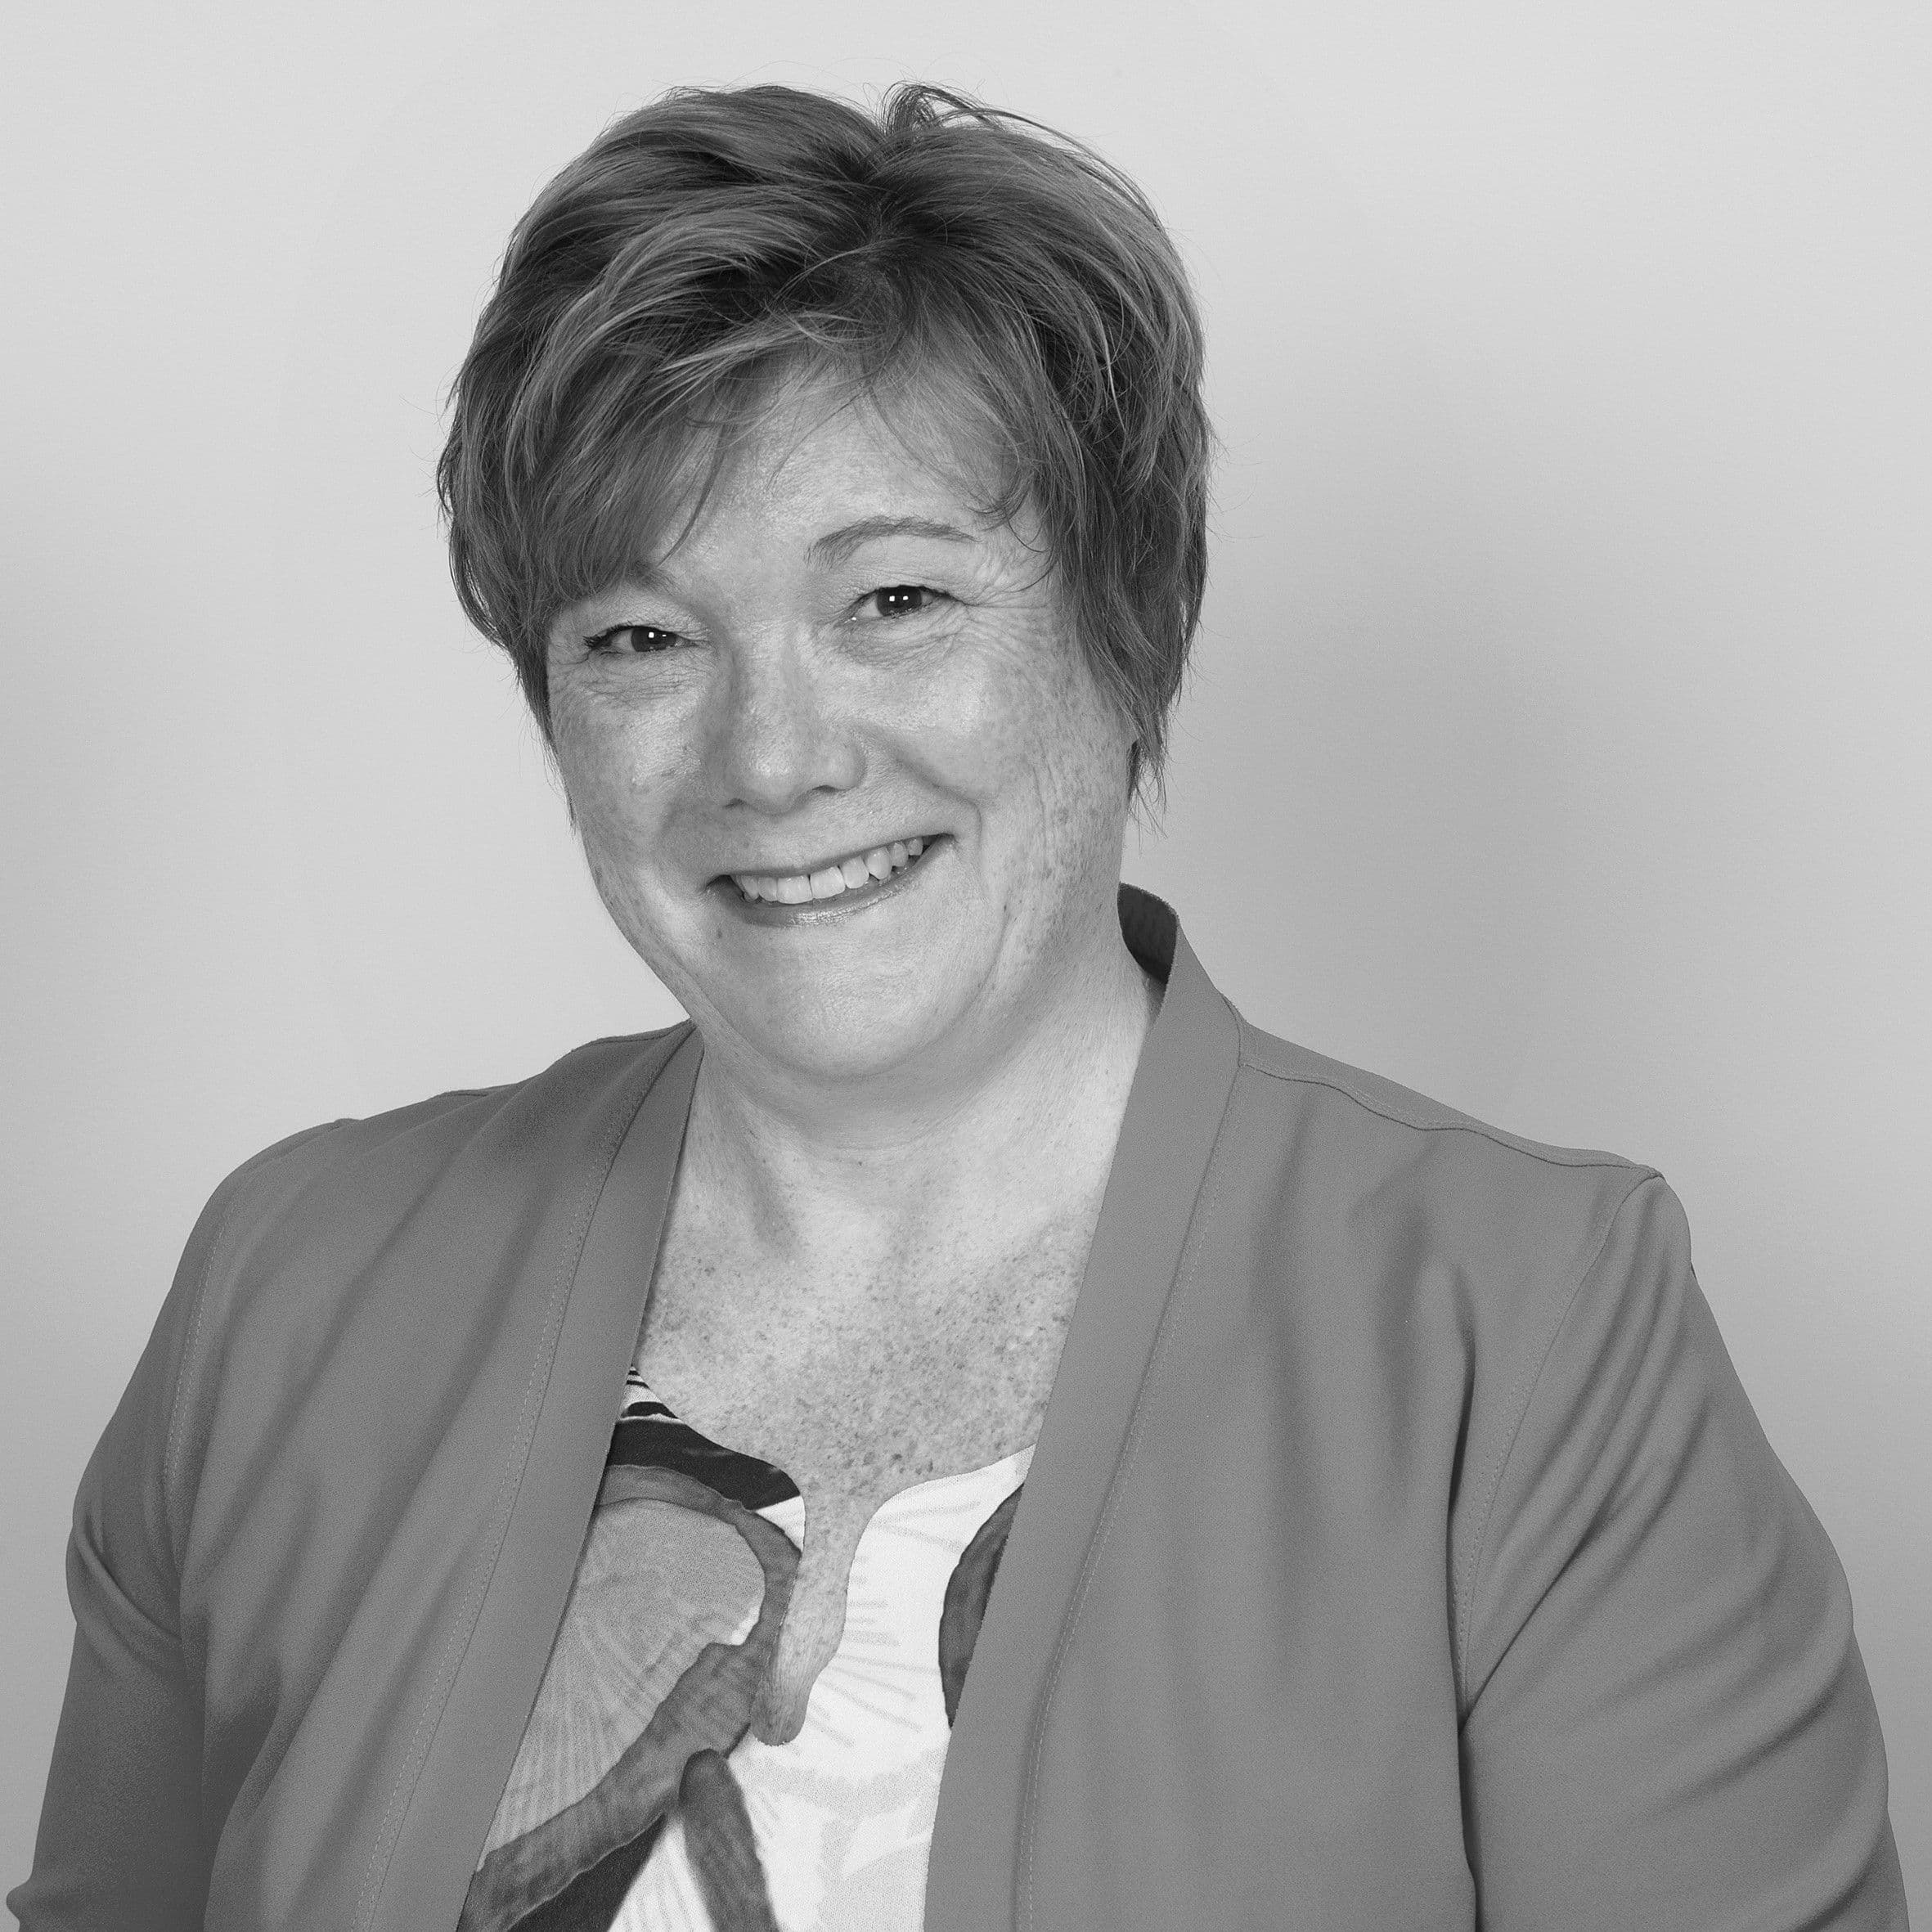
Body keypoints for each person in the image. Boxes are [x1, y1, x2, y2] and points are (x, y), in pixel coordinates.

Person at [11, 79, 1908, 1932]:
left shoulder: (1526, 1328)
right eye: (643, 637)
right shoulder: (294, 1287)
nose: (772, 755)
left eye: (895, 600)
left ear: (1125, 624)